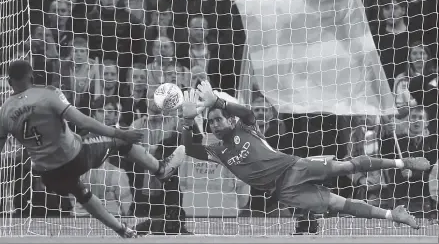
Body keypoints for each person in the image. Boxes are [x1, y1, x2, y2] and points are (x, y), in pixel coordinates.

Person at [0, 60, 187, 238]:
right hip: (76, 156)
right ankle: (161, 169)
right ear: (32, 76)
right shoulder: (47, 93)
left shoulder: (1, 113)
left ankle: (121, 229)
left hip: (48, 175)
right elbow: (84, 121)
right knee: (121, 142)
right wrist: (120, 133)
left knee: (81, 192)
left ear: (9, 82)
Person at [180, 81, 432, 229]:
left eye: (217, 120)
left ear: (228, 119)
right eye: (210, 122)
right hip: (283, 192)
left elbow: (247, 113)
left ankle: (403, 161)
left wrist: (220, 102)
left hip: (293, 167)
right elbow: (190, 148)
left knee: (345, 167)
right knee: (336, 204)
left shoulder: (244, 127)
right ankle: (393, 215)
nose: (213, 125)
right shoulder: (218, 150)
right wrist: (187, 121)